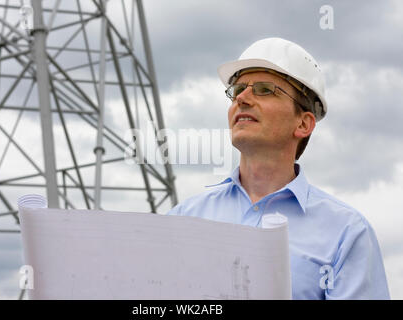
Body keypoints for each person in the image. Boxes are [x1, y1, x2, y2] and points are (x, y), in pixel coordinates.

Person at [167, 37, 390, 299]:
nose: (242, 98)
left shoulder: (347, 233)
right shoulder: (183, 218)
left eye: (264, 90)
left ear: (303, 124)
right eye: (238, 89)